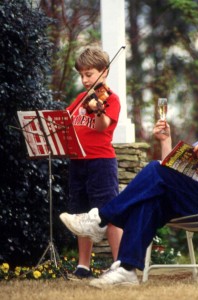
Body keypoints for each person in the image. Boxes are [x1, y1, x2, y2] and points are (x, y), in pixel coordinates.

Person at [60, 81, 198, 287]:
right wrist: (166, 141)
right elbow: (173, 173)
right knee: (150, 200)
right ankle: (126, 269)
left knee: (155, 168)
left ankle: (100, 218)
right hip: (196, 197)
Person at [63, 46, 123, 280]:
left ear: (104, 72)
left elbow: (102, 126)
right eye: (82, 75)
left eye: (89, 74)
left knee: (109, 213)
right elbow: (66, 121)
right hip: (78, 161)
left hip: (100, 162)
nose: (85, 79)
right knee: (81, 216)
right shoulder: (81, 99)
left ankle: (119, 265)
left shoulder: (111, 99)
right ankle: (83, 267)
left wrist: (98, 109)